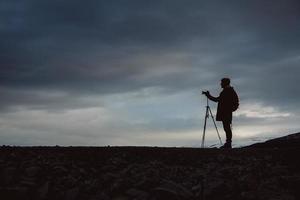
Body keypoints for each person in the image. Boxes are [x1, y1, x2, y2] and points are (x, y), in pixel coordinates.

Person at [203, 78, 239, 149]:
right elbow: (218, 100)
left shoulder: (227, 91)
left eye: (221, 83)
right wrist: (208, 95)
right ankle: (228, 143)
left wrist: (208, 95)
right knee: (226, 127)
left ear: (225, 83)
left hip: (226, 112)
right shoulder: (228, 91)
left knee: (227, 127)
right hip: (226, 112)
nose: (220, 84)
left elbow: (217, 100)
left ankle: (228, 144)